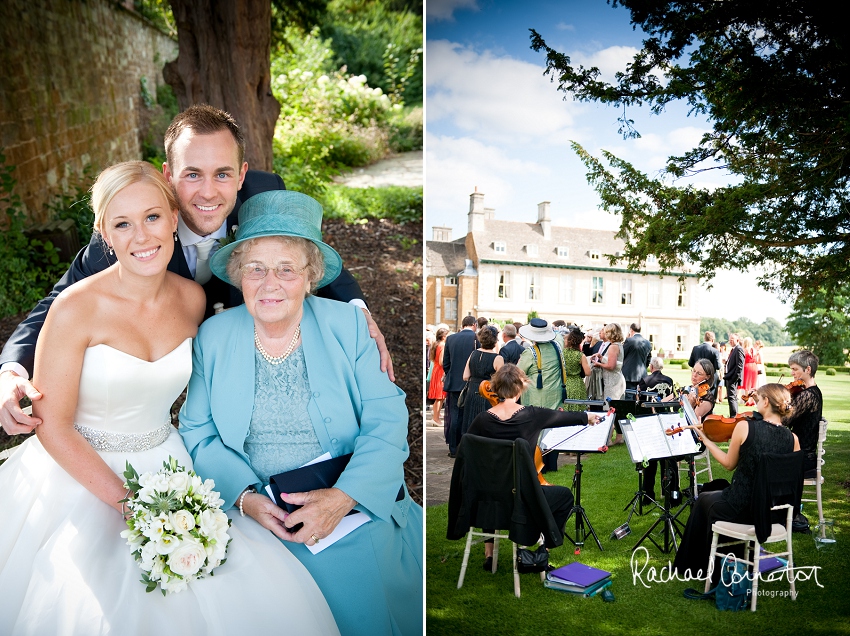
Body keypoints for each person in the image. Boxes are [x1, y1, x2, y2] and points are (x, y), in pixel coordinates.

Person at [0, 163, 339, 635]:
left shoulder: (191, 300)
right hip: (74, 468)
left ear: (173, 218)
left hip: (168, 459)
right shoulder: (75, 309)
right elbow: (53, 426)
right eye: (122, 224)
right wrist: (131, 506)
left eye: (153, 217)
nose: (142, 236)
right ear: (105, 235)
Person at [0, 104, 391, 436]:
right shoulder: (134, 232)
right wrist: (11, 369)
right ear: (168, 175)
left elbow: (308, 254)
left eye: (222, 174)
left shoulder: (263, 195)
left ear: (241, 176)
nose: (207, 192)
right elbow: (58, 303)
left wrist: (359, 312)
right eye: (192, 175)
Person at [179, 190, 423, 636]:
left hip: (347, 511)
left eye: (286, 269)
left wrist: (344, 497)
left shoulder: (348, 326)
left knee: (352, 605)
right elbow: (198, 431)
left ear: (310, 277)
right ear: (238, 275)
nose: (269, 283)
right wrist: (245, 497)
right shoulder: (213, 336)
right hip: (252, 515)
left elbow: (387, 420)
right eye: (255, 268)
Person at [466, 364, 599, 570]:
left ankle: (489, 555)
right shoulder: (533, 414)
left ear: (497, 387)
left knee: (495, 478)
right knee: (564, 496)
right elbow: (564, 417)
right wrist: (587, 417)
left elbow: (469, 452)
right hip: (522, 500)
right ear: (520, 388)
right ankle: (540, 553)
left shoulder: (481, 420)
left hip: (487, 502)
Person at [672, 384, 800, 580]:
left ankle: (694, 568)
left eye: (758, 400)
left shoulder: (745, 426)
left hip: (742, 508)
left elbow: (728, 464)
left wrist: (707, 441)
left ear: (766, 402)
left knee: (703, 500)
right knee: (716, 492)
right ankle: (736, 558)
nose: (755, 403)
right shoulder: (793, 439)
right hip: (773, 515)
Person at [517, 319, 568, 471]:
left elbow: (518, 373)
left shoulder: (529, 353)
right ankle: (552, 464)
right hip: (556, 395)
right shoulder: (557, 347)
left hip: (536, 398)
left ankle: (539, 466)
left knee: (536, 431)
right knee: (553, 429)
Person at [443, 315, 478, 458]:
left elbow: (446, 363)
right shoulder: (477, 339)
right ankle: (466, 448)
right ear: (474, 325)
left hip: (454, 383)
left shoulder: (451, 339)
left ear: (463, 325)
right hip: (472, 382)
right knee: (469, 416)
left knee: (454, 416)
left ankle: (453, 448)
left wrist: (452, 375)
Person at [783, 350, 823, 475]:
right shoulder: (812, 391)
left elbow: (784, 420)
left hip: (802, 457)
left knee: (761, 459)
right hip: (800, 453)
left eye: (795, 369)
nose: (792, 373)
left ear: (808, 370)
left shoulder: (808, 395)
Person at [461, 325, 504, 433]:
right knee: (486, 426)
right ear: (495, 340)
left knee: (471, 422)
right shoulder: (498, 358)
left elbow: (465, 376)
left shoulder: (474, 353)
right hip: (488, 394)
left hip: (472, 392)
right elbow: (501, 382)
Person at [588, 323, 626, 401]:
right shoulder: (618, 345)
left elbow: (611, 366)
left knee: (610, 407)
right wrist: (601, 357)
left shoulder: (613, 346)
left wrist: (598, 364)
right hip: (616, 379)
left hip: (612, 381)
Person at [562, 328, 591, 411]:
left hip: (563, 382)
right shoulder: (580, 355)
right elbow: (588, 372)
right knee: (577, 409)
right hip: (576, 383)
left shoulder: (562, 353)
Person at [622, 323, 653, 391]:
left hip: (628, 374)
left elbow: (622, 355)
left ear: (631, 330)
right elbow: (648, 359)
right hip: (642, 375)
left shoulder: (629, 340)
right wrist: (644, 368)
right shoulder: (647, 343)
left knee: (629, 396)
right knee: (640, 397)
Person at [427, 327, 449, 425]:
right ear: (444, 337)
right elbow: (441, 361)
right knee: (440, 396)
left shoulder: (436, 344)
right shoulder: (443, 345)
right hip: (440, 371)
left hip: (435, 370)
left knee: (438, 397)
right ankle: (436, 418)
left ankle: (434, 417)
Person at [724, 333, 745, 416]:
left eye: (732, 339)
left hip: (732, 378)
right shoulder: (733, 349)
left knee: (732, 398)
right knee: (730, 398)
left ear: (737, 340)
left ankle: (734, 417)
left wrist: (734, 378)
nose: (730, 341)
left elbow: (740, 366)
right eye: (729, 339)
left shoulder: (739, 349)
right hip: (729, 377)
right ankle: (733, 415)